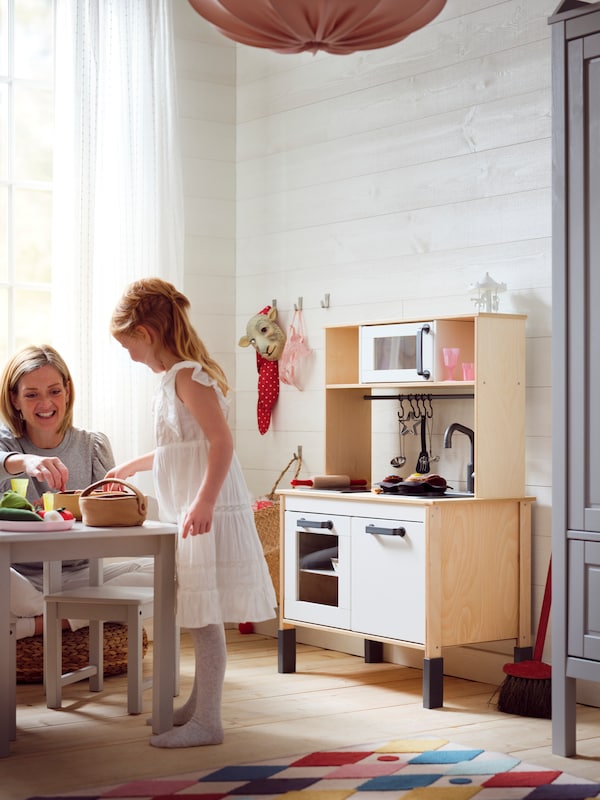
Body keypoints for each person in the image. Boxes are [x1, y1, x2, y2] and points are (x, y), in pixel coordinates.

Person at [106, 277, 277, 749]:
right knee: (201, 609)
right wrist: (130, 466)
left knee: (205, 616)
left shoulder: (188, 375)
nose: (128, 354)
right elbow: (182, 449)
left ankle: (209, 722)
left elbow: (221, 442)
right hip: (196, 507)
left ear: (145, 332)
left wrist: (203, 502)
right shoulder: (172, 379)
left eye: (127, 344)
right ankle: (197, 709)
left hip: (209, 508)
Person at [0, 344, 154, 640]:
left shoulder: (91, 445)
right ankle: (82, 612)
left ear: (68, 391)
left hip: (80, 576)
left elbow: (110, 516)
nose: (45, 402)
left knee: (169, 573)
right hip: (20, 579)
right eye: (31, 394)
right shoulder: (7, 444)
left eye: (54, 391)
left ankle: (37, 624)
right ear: (15, 399)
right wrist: (25, 462)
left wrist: (115, 502)